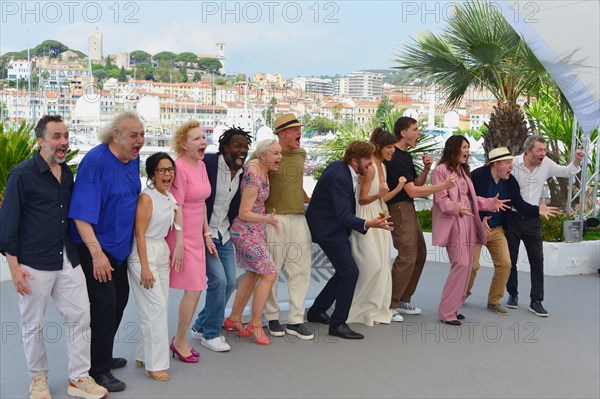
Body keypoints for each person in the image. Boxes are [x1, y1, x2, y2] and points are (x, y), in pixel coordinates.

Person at [0, 115, 108, 399]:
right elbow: (8, 224)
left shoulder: (67, 173)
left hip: (67, 258)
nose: (63, 142)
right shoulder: (21, 175)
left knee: (80, 316)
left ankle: (79, 378)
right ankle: (38, 378)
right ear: (40, 141)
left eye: (66, 136)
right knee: (33, 323)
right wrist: (14, 267)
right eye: (57, 137)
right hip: (33, 262)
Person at [69, 111, 145, 392]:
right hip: (95, 247)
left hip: (119, 248)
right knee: (103, 307)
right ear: (116, 136)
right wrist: (97, 255)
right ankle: (96, 371)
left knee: (120, 301)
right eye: (133, 135)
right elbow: (80, 215)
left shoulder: (132, 158)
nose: (139, 140)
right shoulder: (95, 162)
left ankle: (100, 353)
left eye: (141, 134)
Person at [305, 141, 394, 340]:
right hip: (327, 229)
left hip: (334, 227)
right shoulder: (339, 176)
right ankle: (337, 324)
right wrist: (369, 223)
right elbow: (343, 215)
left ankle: (316, 311)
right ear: (355, 161)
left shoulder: (342, 170)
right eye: (368, 159)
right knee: (350, 272)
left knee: (345, 271)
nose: (371, 163)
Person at [467, 147, 559, 315]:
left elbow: (519, 204)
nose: (512, 166)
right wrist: (480, 218)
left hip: (496, 229)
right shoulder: (478, 176)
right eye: (508, 163)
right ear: (496, 164)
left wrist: (537, 210)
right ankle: (462, 294)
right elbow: (467, 201)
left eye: (511, 162)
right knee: (472, 266)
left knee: (505, 263)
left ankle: (494, 301)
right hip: (476, 228)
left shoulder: (510, 181)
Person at [432, 136, 510, 325]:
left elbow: (472, 199)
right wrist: (456, 208)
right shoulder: (440, 171)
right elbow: (440, 200)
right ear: (454, 149)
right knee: (460, 264)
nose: (467, 151)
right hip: (454, 223)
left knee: (467, 266)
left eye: (468, 147)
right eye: (464, 147)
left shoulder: (463, 172)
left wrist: (491, 203)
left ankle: (454, 308)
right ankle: (446, 312)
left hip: (468, 222)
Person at [383, 117, 456, 322]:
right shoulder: (395, 157)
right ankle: (390, 304)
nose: (419, 132)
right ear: (403, 133)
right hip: (398, 208)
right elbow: (413, 191)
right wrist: (442, 186)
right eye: (415, 129)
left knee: (420, 254)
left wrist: (425, 169)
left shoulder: (405, 157)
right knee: (407, 254)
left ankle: (403, 299)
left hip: (408, 207)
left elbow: (416, 184)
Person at [506, 135, 584, 316]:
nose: (543, 153)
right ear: (528, 151)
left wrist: (577, 160)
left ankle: (536, 300)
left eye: (545, 149)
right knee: (511, 260)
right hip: (513, 218)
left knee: (537, 260)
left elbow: (566, 171)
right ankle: (512, 294)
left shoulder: (547, 164)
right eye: (539, 150)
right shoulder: (513, 164)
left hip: (534, 220)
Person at [191, 127, 252, 352]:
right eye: (237, 145)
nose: (242, 150)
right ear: (225, 146)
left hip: (223, 234)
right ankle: (211, 333)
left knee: (230, 282)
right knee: (218, 281)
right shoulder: (207, 163)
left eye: (245, 146)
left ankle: (199, 325)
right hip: (203, 234)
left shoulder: (242, 171)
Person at [166, 121, 216, 362]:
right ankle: (179, 341)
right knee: (194, 289)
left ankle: (180, 339)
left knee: (196, 290)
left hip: (197, 234)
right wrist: (180, 243)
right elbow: (177, 207)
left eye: (203, 137)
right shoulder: (179, 167)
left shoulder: (202, 165)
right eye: (196, 139)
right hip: (181, 234)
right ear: (184, 145)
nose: (203, 142)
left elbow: (202, 203)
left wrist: (206, 235)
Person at [263, 113, 314, 340]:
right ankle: (272, 317)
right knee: (272, 271)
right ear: (281, 133)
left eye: (299, 129)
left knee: (301, 270)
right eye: (294, 130)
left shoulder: (302, 154)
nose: (298, 133)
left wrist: (309, 200)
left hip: (298, 217)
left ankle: (295, 320)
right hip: (274, 219)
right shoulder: (267, 154)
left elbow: (296, 183)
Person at [227, 139, 282, 345]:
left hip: (255, 231)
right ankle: (255, 324)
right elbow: (244, 212)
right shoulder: (253, 176)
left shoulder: (261, 169)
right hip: (244, 232)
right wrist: (267, 219)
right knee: (269, 272)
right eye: (276, 154)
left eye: (280, 153)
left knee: (253, 273)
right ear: (264, 155)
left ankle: (233, 318)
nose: (280, 158)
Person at [348, 128, 405, 326]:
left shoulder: (383, 167)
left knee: (382, 266)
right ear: (380, 147)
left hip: (379, 217)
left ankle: (374, 309)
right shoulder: (370, 167)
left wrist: (397, 189)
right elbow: (363, 199)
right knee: (371, 265)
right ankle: (358, 310)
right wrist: (379, 194)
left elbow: (382, 197)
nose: (393, 151)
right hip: (366, 217)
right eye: (389, 147)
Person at [128, 152, 177, 381]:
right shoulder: (147, 198)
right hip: (143, 254)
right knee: (156, 309)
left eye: (170, 169)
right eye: (161, 170)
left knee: (159, 308)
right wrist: (145, 267)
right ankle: (155, 364)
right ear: (152, 175)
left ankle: (142, 354)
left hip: (161, 251)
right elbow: (139, 233)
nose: (167, 174)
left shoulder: (168, 196)